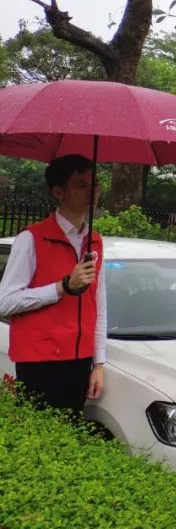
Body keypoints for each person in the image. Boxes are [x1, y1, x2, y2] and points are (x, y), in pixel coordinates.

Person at [0, 155, 106, 416]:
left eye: (96, 185)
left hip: (79, 360)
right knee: (40, 440)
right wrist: (62, 287)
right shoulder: (31, 239)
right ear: (59, 192)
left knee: (71, 437)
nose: (93, 192)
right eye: (82, 185)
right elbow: (5, 302)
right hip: (40, 360)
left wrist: (99, 363)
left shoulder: (94, 241)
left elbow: (99, 305)